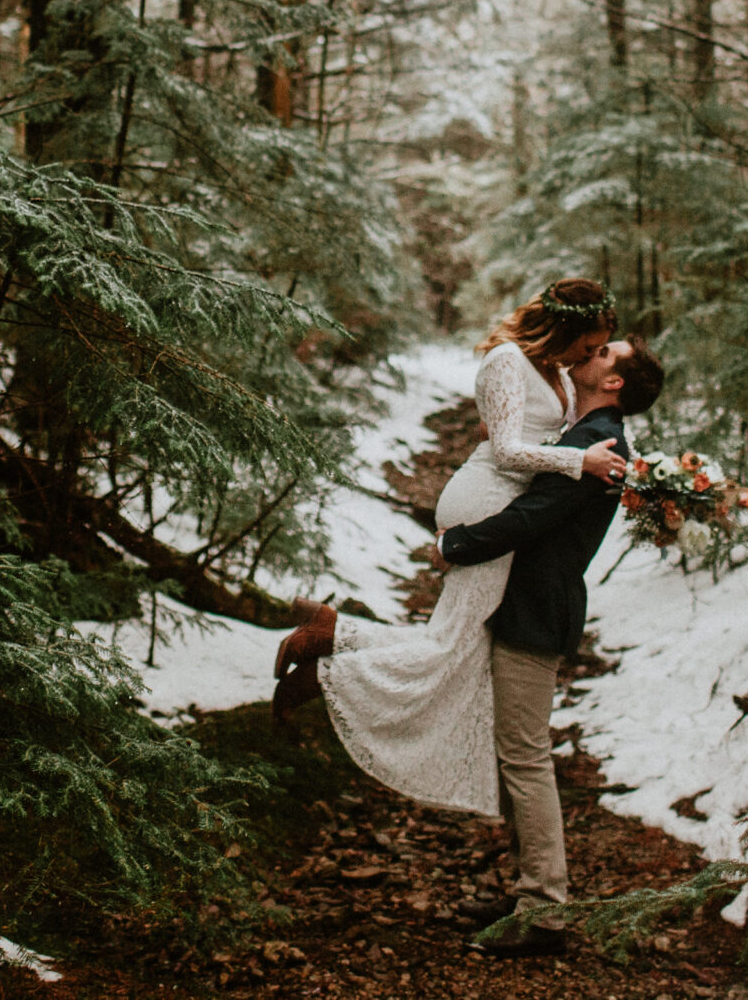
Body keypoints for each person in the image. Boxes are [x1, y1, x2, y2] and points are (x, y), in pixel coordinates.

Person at [270, 278, 627, 788]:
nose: (590, 355)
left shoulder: (558, 373)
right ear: (564, 329)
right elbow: (505, 450)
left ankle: (333, 633)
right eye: (588, 344)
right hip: (484, 500)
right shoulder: (507, 359)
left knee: (458, 642)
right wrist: (580, 460)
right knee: (451, 645)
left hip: (509, 503)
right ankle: (323, 677)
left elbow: (545, 434)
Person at [430, 337, 662, 957]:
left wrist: (457, 545)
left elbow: (532, 516)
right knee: (517, 756)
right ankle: (529, 890)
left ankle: (543, 913)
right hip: (526, 601)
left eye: (604, 352)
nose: (588, 351)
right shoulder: (582, 428)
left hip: (538, 607)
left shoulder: (598, 442)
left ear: (613, 382)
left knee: (527, 759)